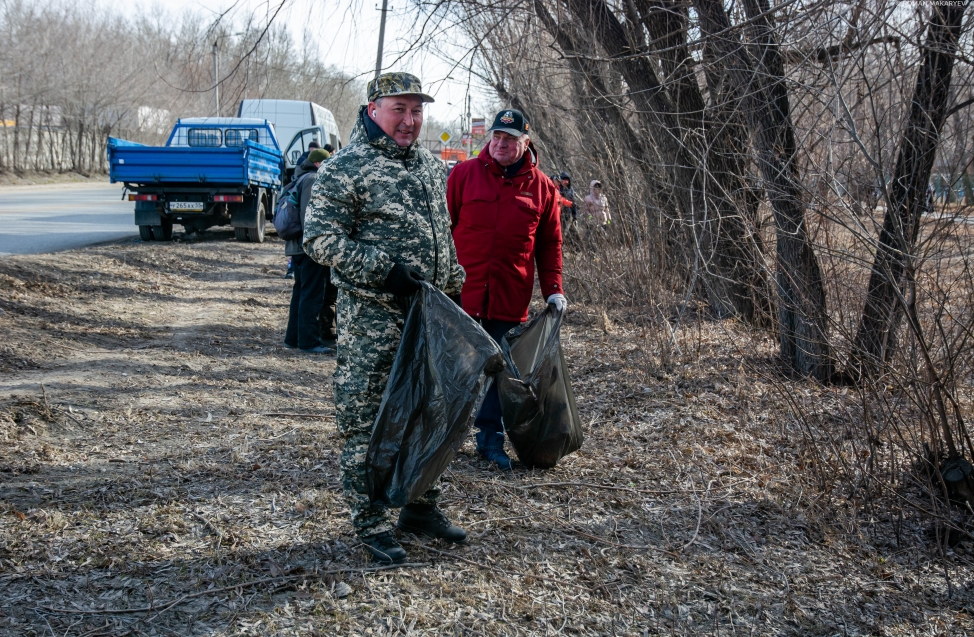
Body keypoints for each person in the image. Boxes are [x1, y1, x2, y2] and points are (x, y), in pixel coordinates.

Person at [303, 72, 468, 564]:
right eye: (400, 109)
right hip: (373, 321)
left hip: (428, 317)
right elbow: (319, 240)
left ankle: (420, 506)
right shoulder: (345, 168)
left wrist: (454, 282)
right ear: (374, 108)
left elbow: (443, 235)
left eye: (417, 111)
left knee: (428, 413)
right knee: (368, 423)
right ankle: (371, 522)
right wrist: (383, 270)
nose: (410, 120)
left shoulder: (429, 167)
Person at [447, 108, 565, 470]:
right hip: (461, 297)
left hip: (509, 299)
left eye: (510, 139)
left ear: (525, 143)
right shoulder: (464, 175)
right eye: (496, 136)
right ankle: (442, 440)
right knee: (454, 370)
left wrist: (554, 290)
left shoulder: (544, 189)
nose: (500, 143)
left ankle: (489, 442)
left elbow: (549, 246)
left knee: (501, 376)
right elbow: (443, 228)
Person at [284, 148, 334, 354]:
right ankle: (308, 342)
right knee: (311, 294)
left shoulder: (299, 178)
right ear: (318, 163)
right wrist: (317, 244)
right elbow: (309, 217)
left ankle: (293, 338)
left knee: (300, 292)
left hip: (297, 248)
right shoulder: (312, 180)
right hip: (308, 248)